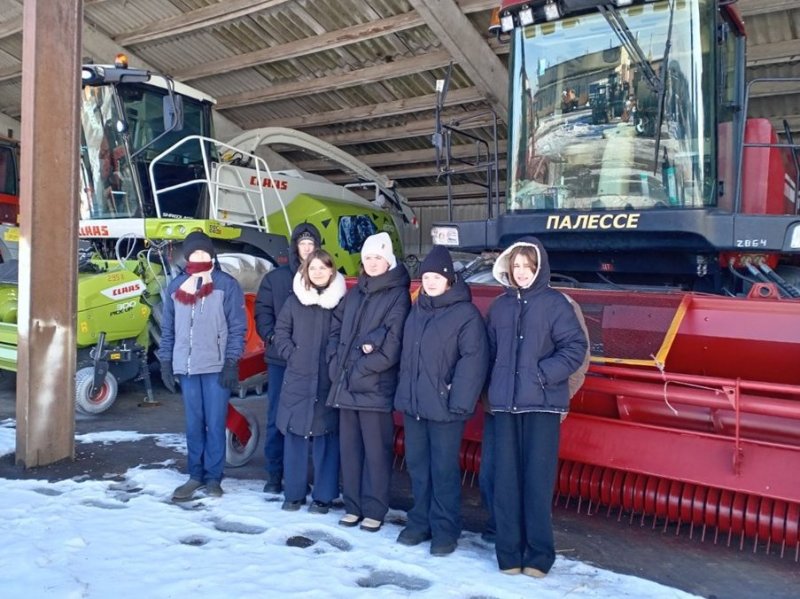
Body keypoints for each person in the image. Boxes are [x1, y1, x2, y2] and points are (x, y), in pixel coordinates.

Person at [485, 237, 588, 577]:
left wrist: (543, 375)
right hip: (504, 407)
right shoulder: (500, 307)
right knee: (506, 482)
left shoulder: (556, 304)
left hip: (542, 406)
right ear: (509, 270)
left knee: (537, 482)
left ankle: (539, 555)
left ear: (539, 268)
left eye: (528, 267)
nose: (522, 273)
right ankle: (509, 554)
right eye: (516, 267)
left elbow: (575, 347)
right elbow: (489, 353)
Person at [394, 246, 489, 556]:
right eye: (426, 276)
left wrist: (458, 401)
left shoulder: (465, 314)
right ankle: (420, 522)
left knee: (444, 470)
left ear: (449, 279)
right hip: (415, 405)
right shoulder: (417, 308)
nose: (431, 282)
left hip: (446, 408)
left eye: (437, 277)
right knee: (419, 467)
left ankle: (446, 530)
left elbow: (473, 360)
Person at [327, 232, 411, 532]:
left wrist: (359, 369)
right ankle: (353, 505)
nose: (373, 263)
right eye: (368, 258)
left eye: (378, 257)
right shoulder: (355, 292)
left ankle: (375, 509)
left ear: (388, 260)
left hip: (374, 387)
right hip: (346, 384)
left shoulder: (397, 295)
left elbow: (392, 347)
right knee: (350, 450)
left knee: (376, 452)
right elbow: (335, 330)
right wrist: (335, 363)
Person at [159, 231, 246, 501]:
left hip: (216, 366)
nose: (200, 257)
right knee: (194, 423)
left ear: (211, 255)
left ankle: (213, 477)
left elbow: (237, 327)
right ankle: (195, 475)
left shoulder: (225, 285)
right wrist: (165, 360)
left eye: (204, 253)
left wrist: (232, 361)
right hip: (187, 367)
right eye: (194, 253)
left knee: (215, 422)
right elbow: (168, 328)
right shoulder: (176, 287)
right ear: (187, 255)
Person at [272, 249, 346, 513]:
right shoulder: (294, 302)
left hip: (327, 378)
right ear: (306, 271)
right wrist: (293, 355)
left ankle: (324, 497)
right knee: (296, 437)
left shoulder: (340, 302)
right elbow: (280, 333)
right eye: (312, 268)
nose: (317, 273)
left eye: (322, 268)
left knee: (326, 438)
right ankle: (293, 494)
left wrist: (332, 360)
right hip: (298, 379)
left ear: (331, 271)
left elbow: (341, 337)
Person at [255, 223, 321, 494]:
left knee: (313, 419)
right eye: (302, 244)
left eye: (311, 244)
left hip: (314, 363)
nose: (306, 249)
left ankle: (307, 474)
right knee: (277, 417)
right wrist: (273, 339)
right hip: (281, 361)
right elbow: (263, 312)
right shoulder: (275, 279)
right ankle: (274, 474)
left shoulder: (324, 276)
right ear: (295, 247)